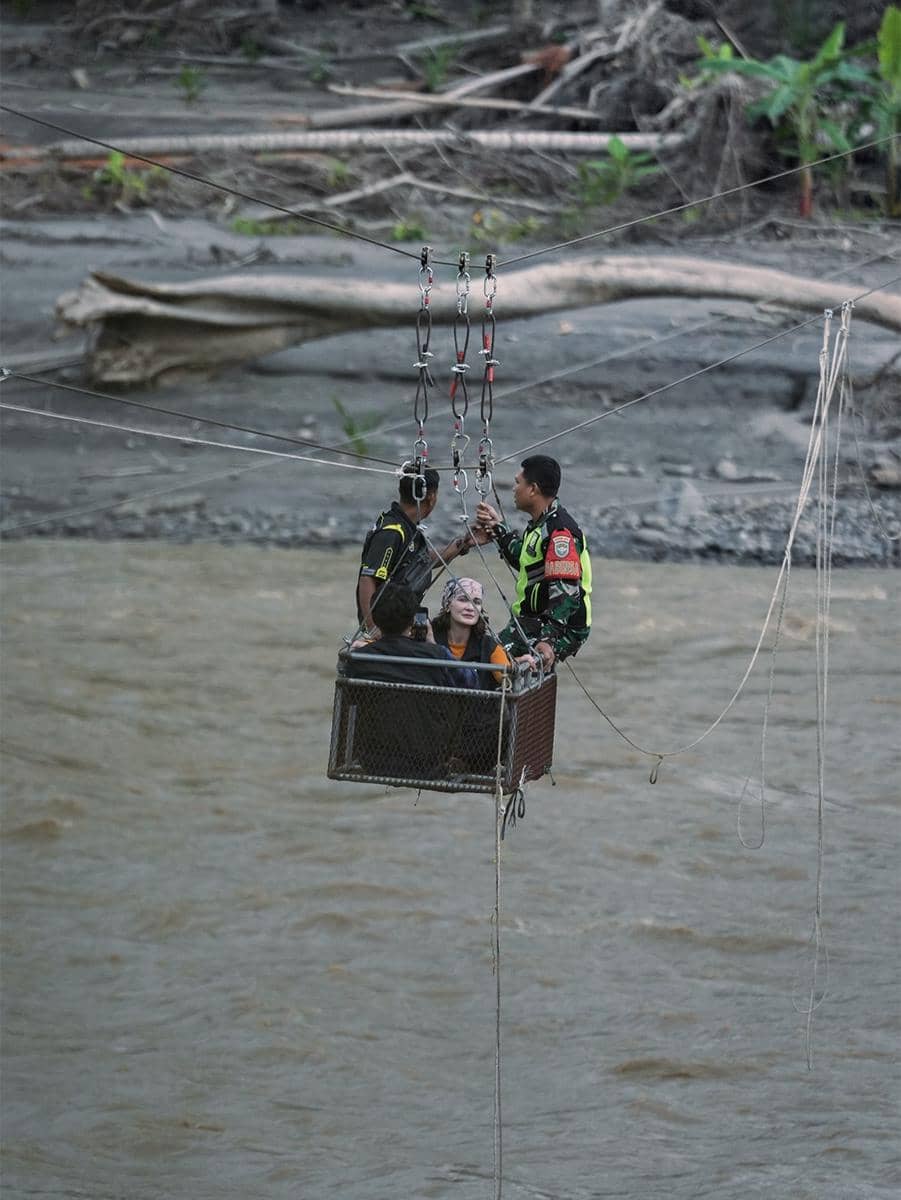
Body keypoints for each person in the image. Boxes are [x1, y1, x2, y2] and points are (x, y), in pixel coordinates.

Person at [475, 454, 591, 670]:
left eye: (518, 482)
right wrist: (498, 529)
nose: (513, 488)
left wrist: (548, 640)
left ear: (532, 489)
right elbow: (526, 561)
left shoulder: (559, 532)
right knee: (487, 657)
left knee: (488, 663)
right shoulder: (542, 524)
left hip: (555, 626)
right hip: (534, 620)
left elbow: (566, 591)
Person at [356, 465, 487, 638]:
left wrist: (462, 545)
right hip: (385, 630)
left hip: (401, 625)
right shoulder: (392, 532)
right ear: (431, 497)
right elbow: (368, 578)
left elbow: (422, 562)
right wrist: (373, 630)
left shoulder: (408, 527)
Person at [344, 582, 467, 689]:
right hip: (424, 716)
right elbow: (470, 682)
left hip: (374, 716)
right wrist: (432, 644)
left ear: (375, 619)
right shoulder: (437, 656)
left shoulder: (358, 658)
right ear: (413, 620)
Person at [431, 577, 510, 689]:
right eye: (463, 600)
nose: (470, 607)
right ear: (447, 605)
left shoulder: (489, 646)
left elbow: (508, 679)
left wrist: (518, 664)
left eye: (477, 602)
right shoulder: (430, 640)